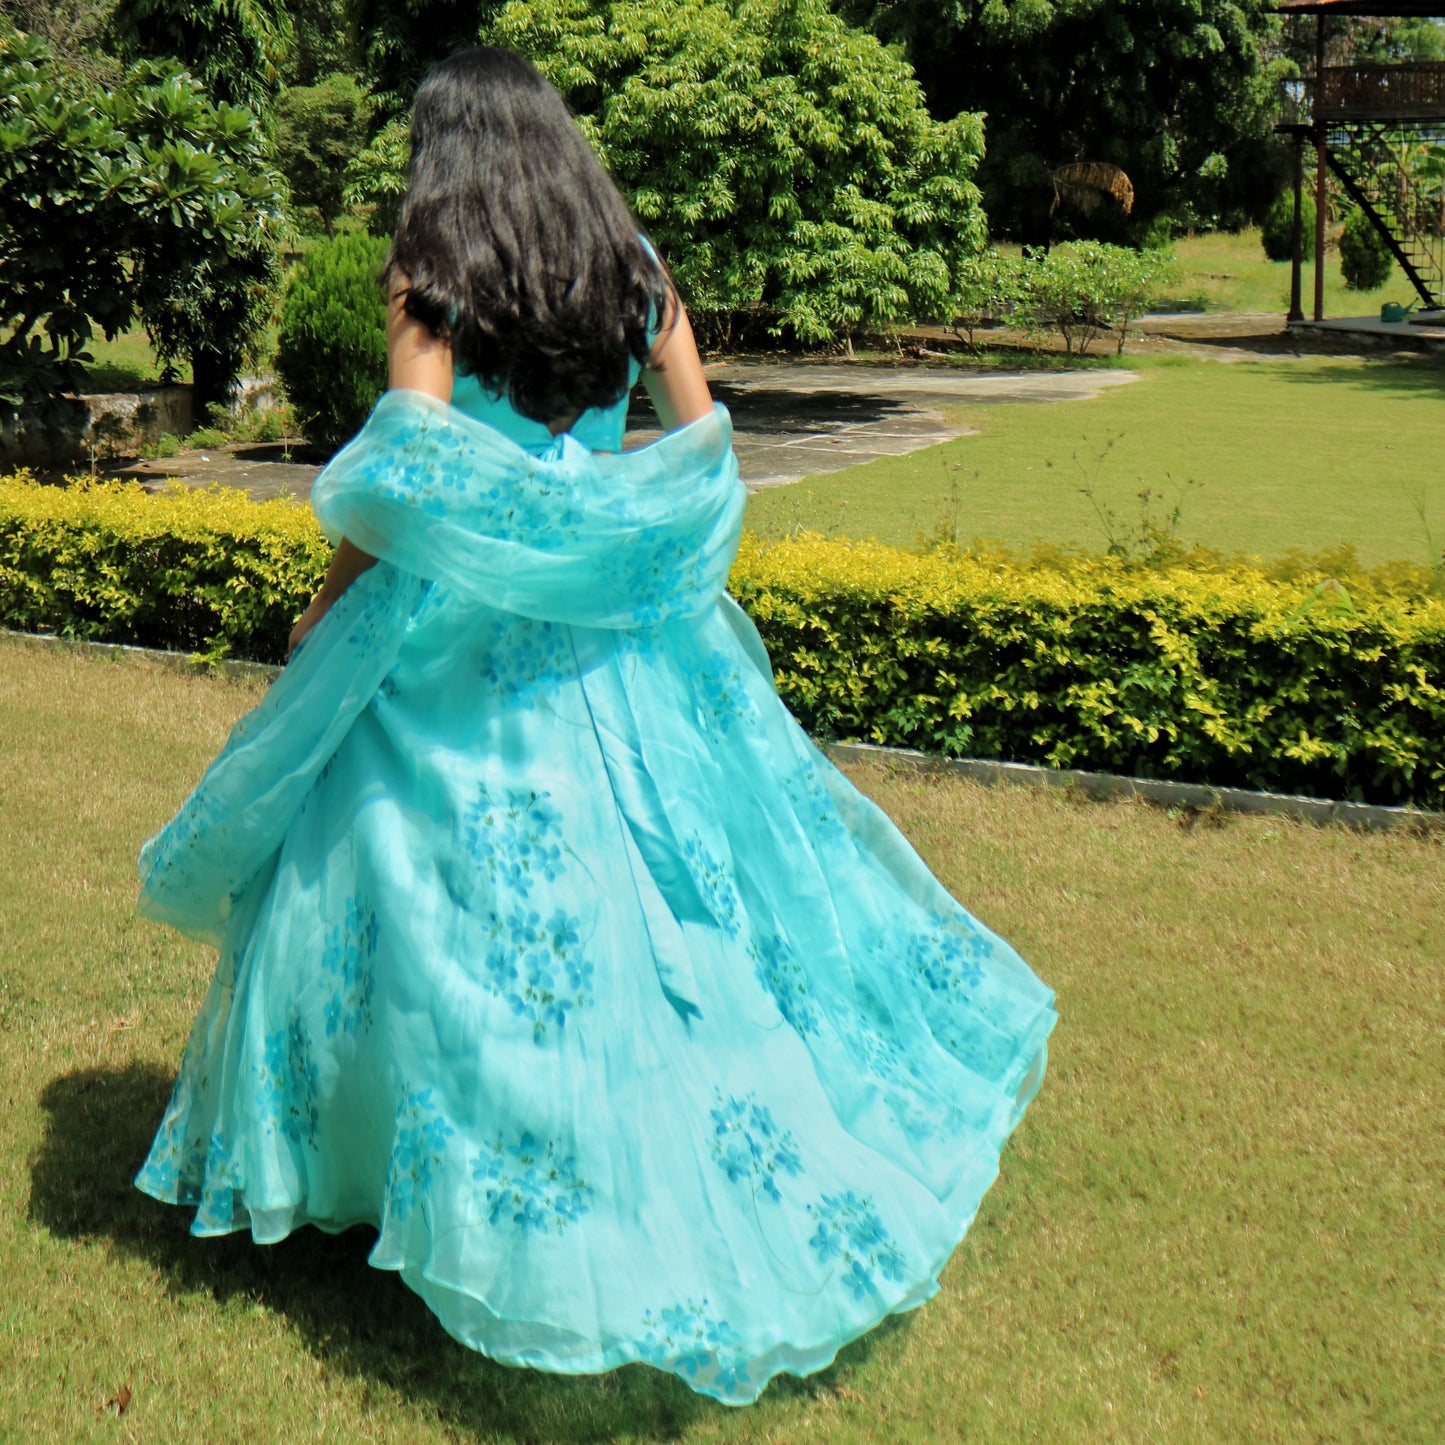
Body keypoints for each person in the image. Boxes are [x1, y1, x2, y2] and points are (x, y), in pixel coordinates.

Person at [135, 46, 1057, 1406]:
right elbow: (699, 445)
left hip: (448, 642)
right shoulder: (630, 266)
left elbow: (405, 472)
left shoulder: (431, 268)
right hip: (621, 639)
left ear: (443, 151)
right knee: (660, 906)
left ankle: (394, 1175)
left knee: (397, 894)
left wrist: (326, 605)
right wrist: (601, 535)